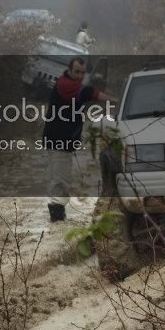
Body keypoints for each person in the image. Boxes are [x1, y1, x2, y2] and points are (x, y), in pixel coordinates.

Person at [43, 57, 114, 222]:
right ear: (69, 70)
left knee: (61, 179)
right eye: (77, 72)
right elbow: (91, 93)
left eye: (83, 73)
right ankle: (57, 220)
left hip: (62, 141)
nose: (80, 76)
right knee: (60, 180)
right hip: (58, 141)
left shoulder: (69, 85)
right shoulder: (66, 84)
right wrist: (115, 100)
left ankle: (58, 217)